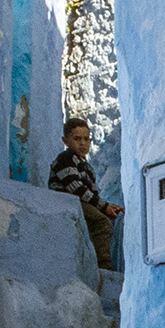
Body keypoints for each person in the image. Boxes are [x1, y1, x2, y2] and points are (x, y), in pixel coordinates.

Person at [49, 114, 118, 269]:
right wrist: (103, 207)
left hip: (79, 201)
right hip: (66, 199)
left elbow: (92, 194)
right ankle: (103, 266)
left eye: (86, 139)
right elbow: (77, 189)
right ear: (65, 141)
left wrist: (107, 207)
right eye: (77, 139)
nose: (83, 143)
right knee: (102, 223)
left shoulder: (86, 167)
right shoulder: (65, 158)